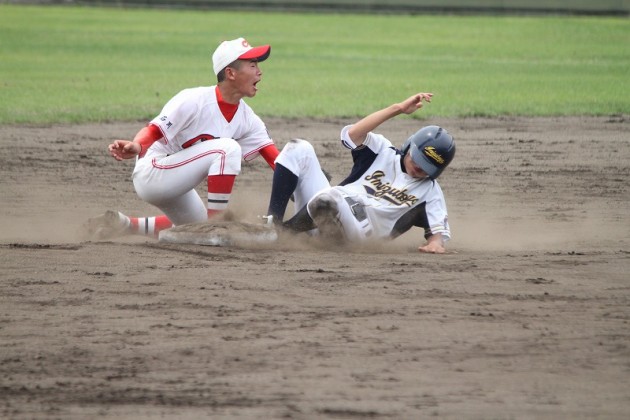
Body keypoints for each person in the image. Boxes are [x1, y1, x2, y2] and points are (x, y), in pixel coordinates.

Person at [82, 37, 279, 240]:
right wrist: (137, 145)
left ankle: (125, 224)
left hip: (178, 183)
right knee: (227, 149)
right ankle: (216, 228)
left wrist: (305, 196)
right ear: (230, 73)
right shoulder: (194, 100)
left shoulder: (248, 118)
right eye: (253, 65)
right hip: (154, 172)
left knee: (196, 225)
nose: (259, 71)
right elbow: (154, 130)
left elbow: (278, 162)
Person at [264, 92, 455, 254]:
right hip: (325, 211)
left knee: (331, 197)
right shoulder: (382, 150)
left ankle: (282, 235)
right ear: (409, 146)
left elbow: (437, 235)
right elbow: (352, 135)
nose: (419, 168)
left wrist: (435, 244)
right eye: (417, 159)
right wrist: (398, 109)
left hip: (360, 236)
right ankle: (272, 225)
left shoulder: (430, 191)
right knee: (299, 148)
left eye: (427, 168)